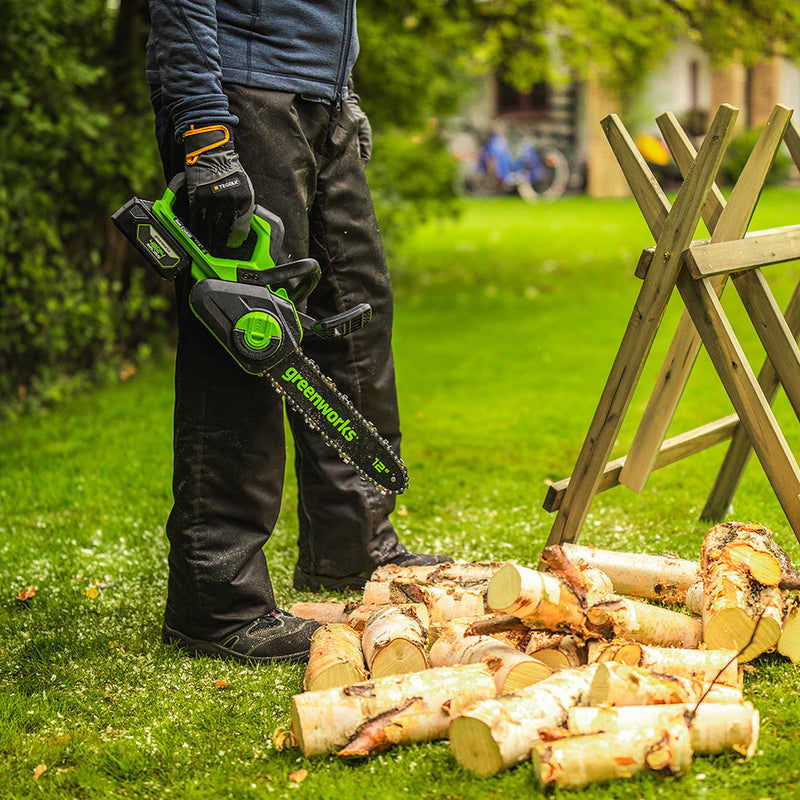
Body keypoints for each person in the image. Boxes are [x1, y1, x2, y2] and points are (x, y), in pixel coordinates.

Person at [145, 1, 451, 664]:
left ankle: (352, 547)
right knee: (247, 340)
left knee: (355, 318)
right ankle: (217, 601)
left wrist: (343, 94)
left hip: (321, 98)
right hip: (241, 93)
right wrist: (203, 128)